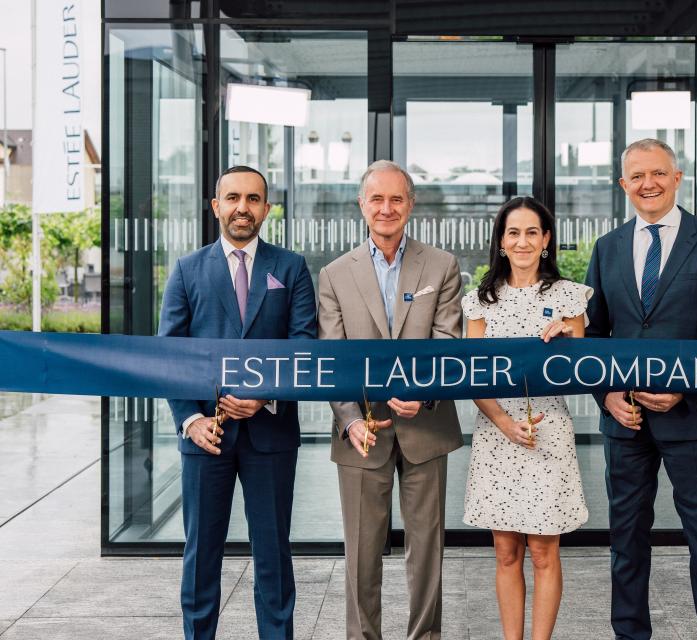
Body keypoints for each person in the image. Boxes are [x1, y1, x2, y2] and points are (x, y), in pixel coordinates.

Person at [585, 139, 697, 640]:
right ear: (623, 186)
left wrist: (685, 389)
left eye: (657, 173)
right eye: (636, 177)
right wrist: (607, 396)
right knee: (626, 544)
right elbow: (592, 337)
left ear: (678, 178)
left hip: (694, 420)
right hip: (626, 422)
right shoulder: (608, 247)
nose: (648, 184)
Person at [158, 165, 318, 639]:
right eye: (232, 198)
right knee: (202, 553)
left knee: (272, 554)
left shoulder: (290, 268)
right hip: (206, 438)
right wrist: (189, 419)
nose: (242, 208)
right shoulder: (188, 270)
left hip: (271, 435)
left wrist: (265, 394)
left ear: (266, 209)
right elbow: (170, 355)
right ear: (216, 206)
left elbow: (303, 346)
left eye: (252, 199)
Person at [317, 160, 463, 640]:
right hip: (362, 432)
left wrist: (422, 394)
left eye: (396, 199)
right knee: (360, 555)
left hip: (426, 424)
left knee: (427, 552)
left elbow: (447, 341)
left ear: (411, 204)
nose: (386, 208)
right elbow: (332, 357)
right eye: (376, 199)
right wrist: (350, 419)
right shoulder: (335, 274)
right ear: (361, 204)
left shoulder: (441, 265)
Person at [461, 196, 590, 640]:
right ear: (500, 241)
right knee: (505, 552)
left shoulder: (569, 297)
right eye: (513, 232)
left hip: (548, 432)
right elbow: (473, 376)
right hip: (498, 432)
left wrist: (569, 339)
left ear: (547, 240)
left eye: (532, 232)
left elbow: (581, 369)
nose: (522, 241)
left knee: (543, 551)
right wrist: (502, 422)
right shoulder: (480, 300)